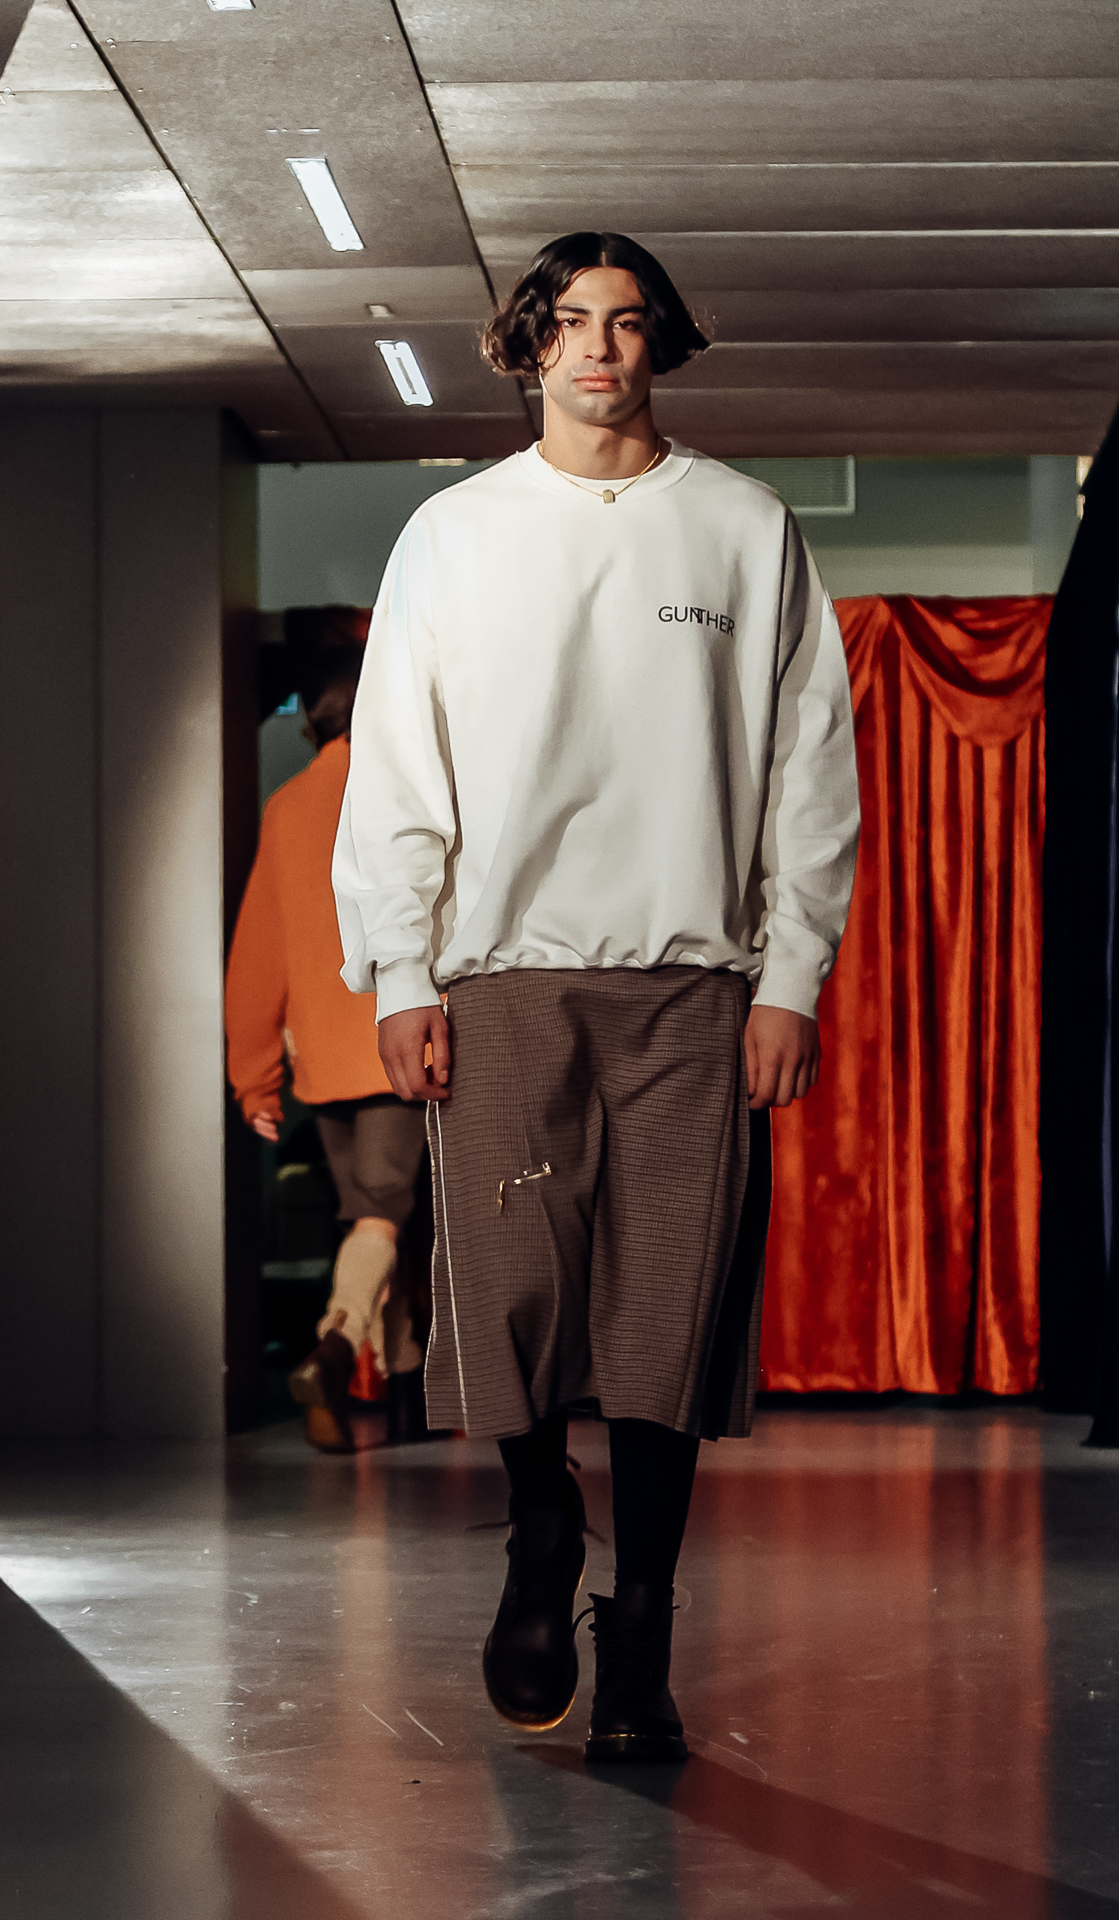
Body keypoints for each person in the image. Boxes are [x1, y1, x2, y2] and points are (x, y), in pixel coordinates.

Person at [333, 232, 861, 1760]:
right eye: (570, 322)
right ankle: (541, 1524)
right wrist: (401, 969)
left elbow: (810, 768)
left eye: (627, 323)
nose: (599, 350)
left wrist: (794, 975)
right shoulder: (454, 535)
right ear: (528, 345)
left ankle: (641, 1641)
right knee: (507, 1298)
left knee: (665, 1323)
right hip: (504, 981)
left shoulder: (744, 526)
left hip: (697, 989)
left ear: (660, 344)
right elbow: (398, 767)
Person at [226, 608, 432, 1453]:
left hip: (323, 1063)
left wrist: (255, 1080)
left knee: (379, 1219)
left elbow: (257, 955)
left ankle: (410, 1399)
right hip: (401, 1049)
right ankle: (335, 1344)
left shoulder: (287, 806)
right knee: (386, 1216)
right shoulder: (409, 793)